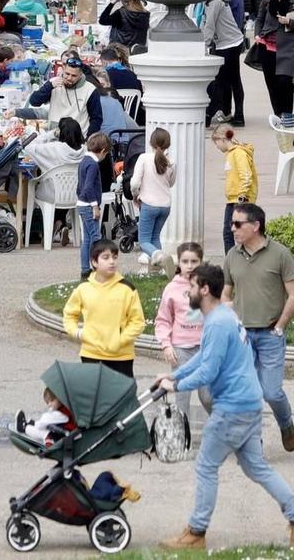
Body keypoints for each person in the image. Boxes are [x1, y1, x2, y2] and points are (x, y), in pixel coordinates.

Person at [155, 261, 294, 551]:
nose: (188, 292)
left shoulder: (218, 323)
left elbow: (209, 372)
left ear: (204, 289)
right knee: (256, 467)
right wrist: (174, 374)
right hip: (249, 402)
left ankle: (196, 532)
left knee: (206, 466)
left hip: (232, 408)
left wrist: (176, 386)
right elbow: (203, 357)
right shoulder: (222, 317)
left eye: (192, 286)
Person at [221, 202, 294, 454]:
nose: (232, 228)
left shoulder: (280, 254)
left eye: (237, 224)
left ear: (256, 226)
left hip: (270, 335)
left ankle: (286, 424)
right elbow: (225, 293)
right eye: (231, 223)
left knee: (272, 392)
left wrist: (280, 326)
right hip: (243, 337)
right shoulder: (232, 255)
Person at [60, 240, 145, 377]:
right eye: (106, 258)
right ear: (94, 262)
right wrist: (77, 333)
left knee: (121, 397)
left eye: (115, 257)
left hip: (121, 356)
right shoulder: (83, 289)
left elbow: (138, 322)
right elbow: (69, 315)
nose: (112, 262)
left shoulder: (127, 289)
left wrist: (120, 340)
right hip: (91, 354)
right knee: (94, 396)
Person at [154, 242, 213, 419]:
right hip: (181, 350)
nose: (189, 266)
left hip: (204, 348)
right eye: (185, 261)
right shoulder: (172, 289)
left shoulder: (207, 287)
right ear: (178, 262)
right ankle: (183, 438)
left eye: (194, 261)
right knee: (182, 398)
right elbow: (163, 320)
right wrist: (166, 345)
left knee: (208, 396)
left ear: (201, 262)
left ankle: (223, 427)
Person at [129, 127, 175, 268]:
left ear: (151, 143)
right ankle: (158, 269)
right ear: (168, 144)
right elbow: (171, 183)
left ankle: (159, 257)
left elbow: (135, 183)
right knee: (155, 237)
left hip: (149, 204)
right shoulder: (171, 162)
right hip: (165, 205)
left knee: (144, 242)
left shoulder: (144, 158)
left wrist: (135, 195)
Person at [214, 124, 257, 253]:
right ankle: (233, 260)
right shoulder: (232, 154)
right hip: (233, 199)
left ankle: (233, 261)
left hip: (239, 199)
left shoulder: (238, 153)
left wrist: (241, 197)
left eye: (216, 143)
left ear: (222, 139)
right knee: (230, 232)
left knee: (233, 233)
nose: (216, 146)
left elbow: (246, 175)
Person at [74, 131, 109, 280]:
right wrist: (95, 206)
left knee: (87, 238)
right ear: (102, 151)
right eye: (106, 154)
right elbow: (88, 187)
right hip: (89, 205)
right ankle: (97, 268)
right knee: (96, 236)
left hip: (82, 203)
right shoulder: (93, 165)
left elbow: (80, 186)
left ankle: (85, 269)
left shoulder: (83, 161)